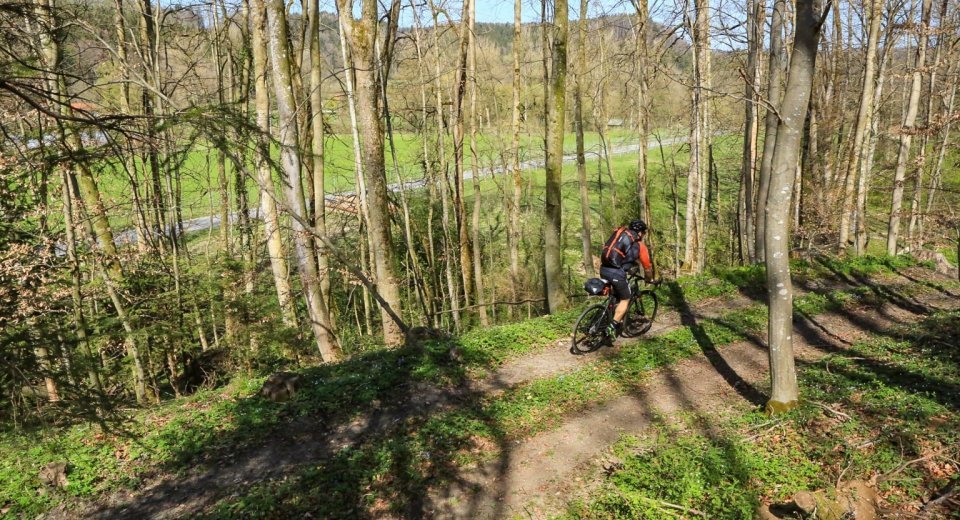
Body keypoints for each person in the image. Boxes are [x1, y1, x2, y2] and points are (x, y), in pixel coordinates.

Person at [599, 219, 654, 336]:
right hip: (616, 274)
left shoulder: (619, 235)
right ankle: (612, 326)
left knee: (615, 296)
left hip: (604, 269)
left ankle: (609, 315)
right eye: (643, 232)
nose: (643, 235)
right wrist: (649, 279)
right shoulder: (640, 245)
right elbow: (647, 267)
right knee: (625, 299)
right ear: (640, 233)